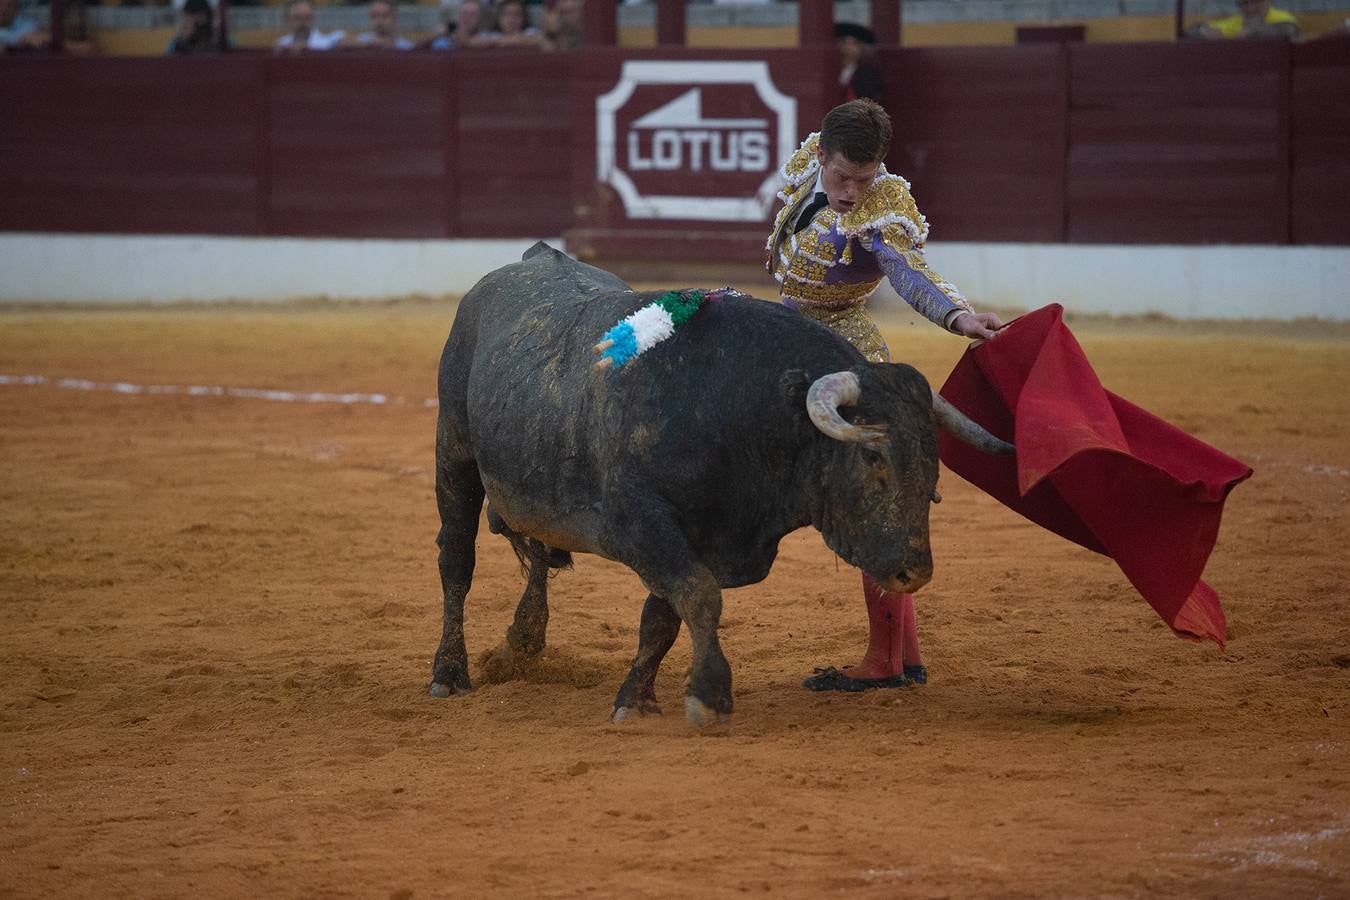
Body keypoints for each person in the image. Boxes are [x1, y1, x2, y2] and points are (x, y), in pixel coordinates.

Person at [766, 99, 1005, 692]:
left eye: (865, 179)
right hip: (794, 336)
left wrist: (958, 316)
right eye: (842, 177)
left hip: (847, 356)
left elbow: (909, 273)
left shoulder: (882, 212)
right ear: (821, 155)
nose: (851, 192)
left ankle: (883, 661)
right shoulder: (808, 163)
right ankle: (907, 656)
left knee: (867, 505)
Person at [1188, 0, 1299, 39]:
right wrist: (1204, 32)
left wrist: (1254, 31)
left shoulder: (1281, 18)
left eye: (1256, 1)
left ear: (1268, 1)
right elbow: (1191, 32)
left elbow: (1289, 31)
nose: (1251, 8)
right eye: (1244, 3)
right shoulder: (1235, 22)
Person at [835, 22, 883, 104]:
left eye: (854, 43)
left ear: (861, 48)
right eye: (843, 42)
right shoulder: (826, 73)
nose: (847, 48)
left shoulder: (867, 76)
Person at [275, 0, 344, 52]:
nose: (302, 23)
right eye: (297, 18)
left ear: (314, 19)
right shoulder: (282, 44)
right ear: (287, 19)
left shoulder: (328, 45)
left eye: (307, 18)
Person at [348, 0, 413, 50]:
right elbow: (338, 37)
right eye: (375, 16)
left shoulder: (407, 48)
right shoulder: (359, 42)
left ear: (394, 17)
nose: (380, 21)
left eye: (385, 15)